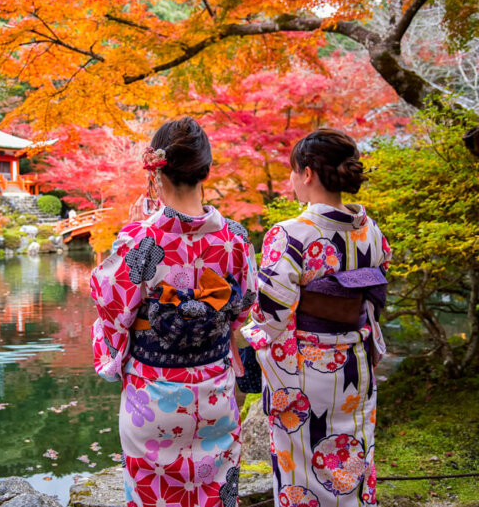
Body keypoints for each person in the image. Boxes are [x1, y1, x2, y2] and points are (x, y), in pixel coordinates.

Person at [90, 116, 257, 507]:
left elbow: (112, 308)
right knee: (216, 495)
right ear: (207, 170)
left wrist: (114, 353)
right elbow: (245, 304)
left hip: (153, 398)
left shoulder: (142, 239)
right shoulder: (235, 238)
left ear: (157, 170)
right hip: (215, 390)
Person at [241, 128, 392, 507]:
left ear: (307, 173)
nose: (291, 180)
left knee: (301, 473)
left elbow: (271, 317)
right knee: (352, 458)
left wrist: (245, 338)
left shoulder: (289, 234)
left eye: (293, 171)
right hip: (356, 366)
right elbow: (373, 301)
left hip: (305, 372)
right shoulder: (370, 231)